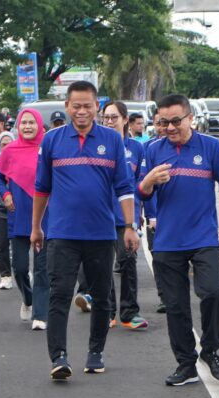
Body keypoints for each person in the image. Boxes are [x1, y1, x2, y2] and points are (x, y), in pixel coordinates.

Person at [138, 94, 219, 386]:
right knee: (175, 307)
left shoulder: (210, 147)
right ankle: (186, 364)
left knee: (213, 292)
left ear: (190, 118)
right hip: (166, 241)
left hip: (203, 237)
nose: (170, 127)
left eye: (176, 121)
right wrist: (149, 181)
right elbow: (141, 192)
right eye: (163, 122)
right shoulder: (152, 150)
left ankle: (211, 351)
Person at [31, 81, 139, 380]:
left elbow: (124, 187)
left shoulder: (112, 140)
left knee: (102, 297)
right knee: (60, 295)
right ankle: (59, 357)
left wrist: (129, 226)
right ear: (67, 106)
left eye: (87, 105)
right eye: (75, 105)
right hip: (62, 234)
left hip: (101, 234)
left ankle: (95, 352)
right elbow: (42, 188)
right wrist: (36, 227)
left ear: (97, 108)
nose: (81, 111)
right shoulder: (52, 140)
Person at [0, 109, 49, 331]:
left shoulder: (47, 148)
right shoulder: (9, 150)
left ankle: (40, 314)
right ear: (18, 126)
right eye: (24, 123)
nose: (28, 126)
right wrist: (6, 195)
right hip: (18, 217)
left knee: (42, 269)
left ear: (39, 125)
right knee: (19, 268)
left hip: (46, 218)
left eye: (32, 123)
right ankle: (28, 299)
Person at [101, 101, 148, 330]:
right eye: (106, 118)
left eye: (114, 118)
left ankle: (129, 312)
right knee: (102, 265)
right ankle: (107, 311)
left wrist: (140, 212)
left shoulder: (137, 149)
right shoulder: (96, 146)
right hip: (100, 215)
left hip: (125, 218)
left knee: (128, 261)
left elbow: (141, 184)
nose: (109, 122)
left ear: (125, 120)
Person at [142, 110, 167, 314]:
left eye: (165, 123)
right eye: (159, 123)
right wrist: (151, 215)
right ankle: (164, 296)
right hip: (155, 217)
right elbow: (144, 187)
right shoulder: (148, 149)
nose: (163, 128)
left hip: (177, 217)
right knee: (157, 257)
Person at [0, 131, 15, 291]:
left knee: (19, 243)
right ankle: (5, 276)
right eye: (3, 144)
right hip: (0, 209)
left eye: (9, 143)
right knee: (1, 244)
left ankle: (22, 270)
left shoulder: (19, 160)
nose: (6, 147)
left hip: (18, 209)